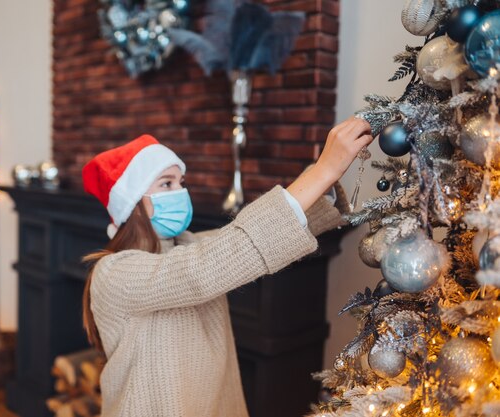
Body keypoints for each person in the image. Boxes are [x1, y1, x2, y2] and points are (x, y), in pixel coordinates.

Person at [81, 117, 372, 417]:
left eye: (181, 183)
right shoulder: (114, 272)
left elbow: (240, 242)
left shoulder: (189, 244)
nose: (181, 192)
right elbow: (206, 266)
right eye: (166, 184)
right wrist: (325, 169)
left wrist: (323, 185)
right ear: (131, 203)